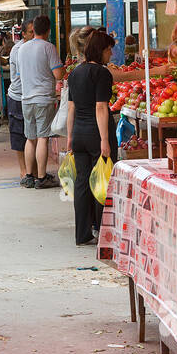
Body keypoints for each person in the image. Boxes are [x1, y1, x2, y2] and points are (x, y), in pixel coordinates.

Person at [66, 31, 116, 245]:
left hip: (78, 133)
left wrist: (70, 137)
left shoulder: (75, 73)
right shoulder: (102, 73)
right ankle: (101, 229)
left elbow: (71, 108)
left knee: (82, 182)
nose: (111, 54)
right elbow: (101, 107)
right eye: (109, 49)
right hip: (96, 134)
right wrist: (104, 140)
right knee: (101, 181)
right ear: (101, 50)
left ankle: (82, 233)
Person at [18, 14, 64, 189]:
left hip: (26, 99)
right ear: (48, 30)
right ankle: (42, 177)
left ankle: (29, 176)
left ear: (33, 29)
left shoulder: (22, 48)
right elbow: (58, 75)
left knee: (30, 138)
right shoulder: (48, 47)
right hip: (43, 98)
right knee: (43, 137)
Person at [7, 22, 33, 184]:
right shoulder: (18, 50)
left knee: (32, 135)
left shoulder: (35, 47)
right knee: (19, 135)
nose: (33, 34)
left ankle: (33, 170)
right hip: (17, 97)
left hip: (31, 96)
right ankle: (24, 170)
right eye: (30, 32)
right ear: (23, 34)